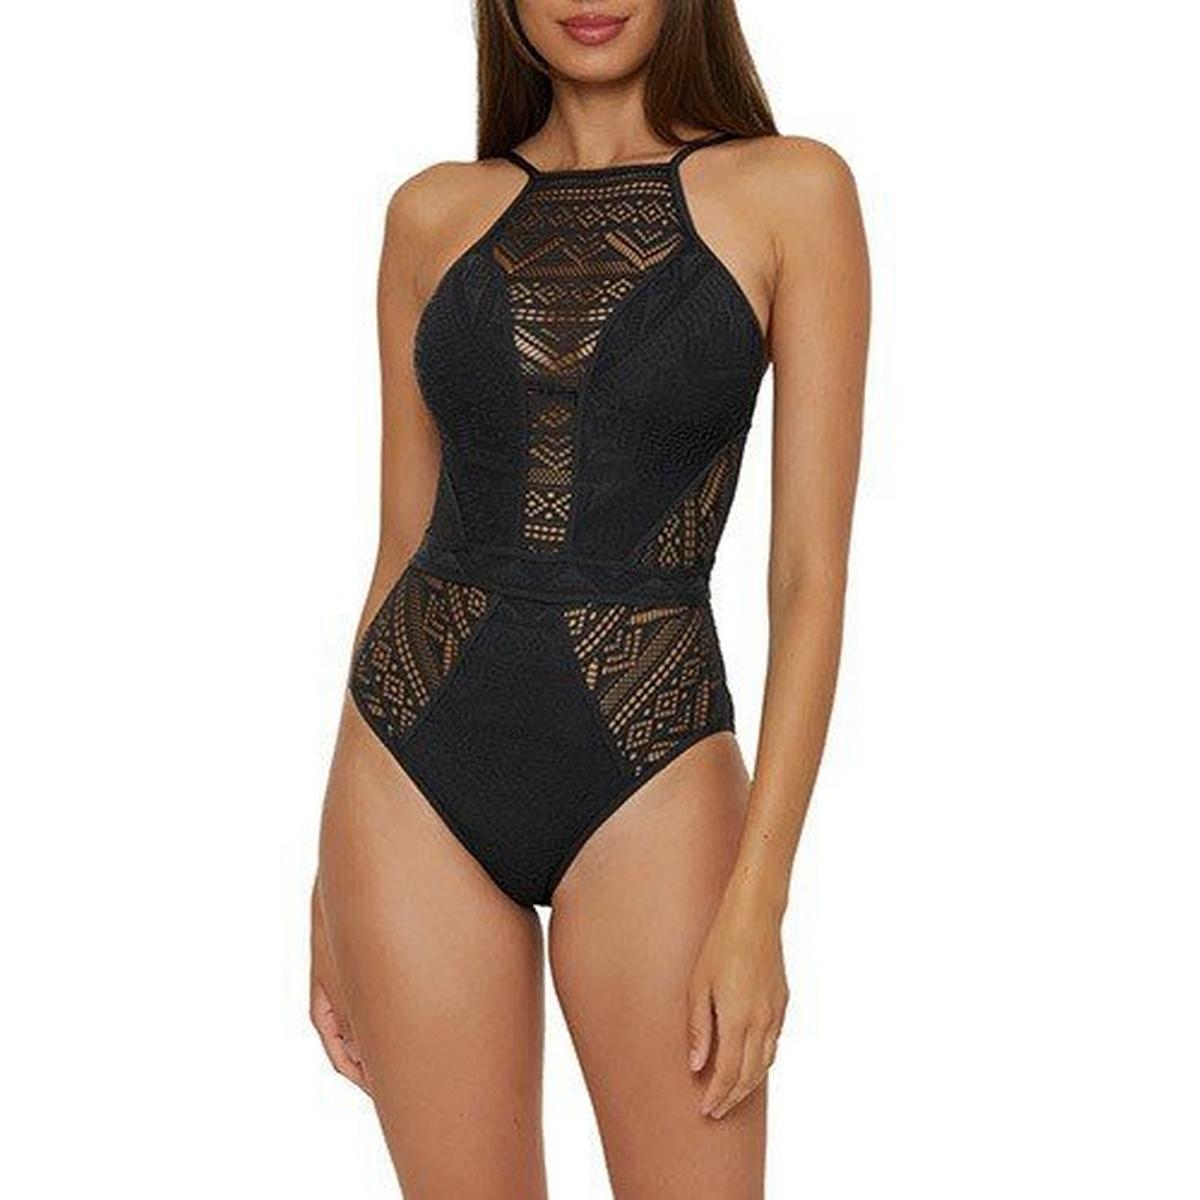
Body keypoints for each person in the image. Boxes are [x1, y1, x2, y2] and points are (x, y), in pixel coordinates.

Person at [310, 1, 870, 1195]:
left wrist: (760, 903)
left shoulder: (794, 193)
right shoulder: (429, 214)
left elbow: (808, 577)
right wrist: (330, 883)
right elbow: (399, 541)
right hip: (407, 767)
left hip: (651, 763)